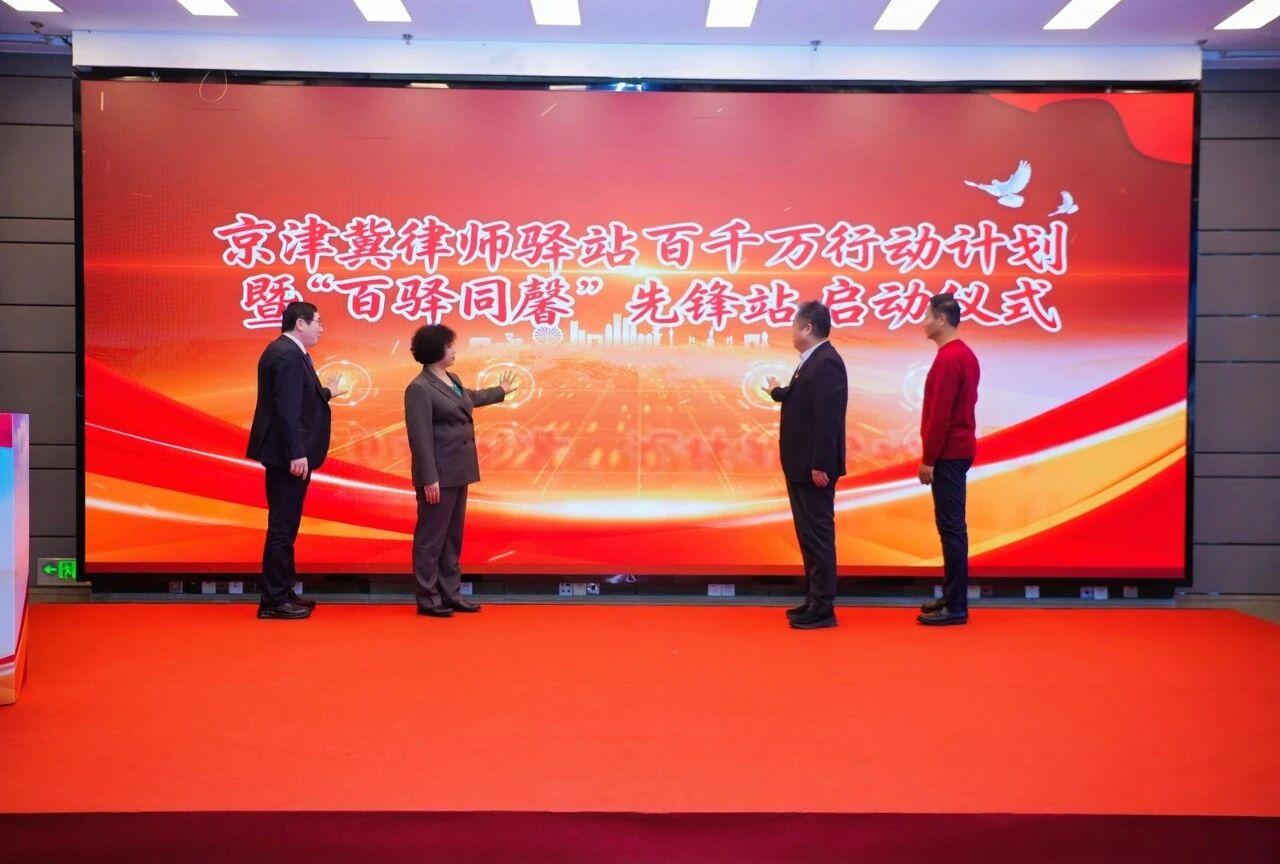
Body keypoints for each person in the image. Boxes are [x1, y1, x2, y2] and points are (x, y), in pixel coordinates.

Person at [405, 324, 518, 617]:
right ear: (436, 350)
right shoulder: (419, 388)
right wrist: (429, 478)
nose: (454, 350)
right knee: (431, 539)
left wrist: (500, 391)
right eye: (449, 345)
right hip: (438, 475)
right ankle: (428, 598)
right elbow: (419, 437)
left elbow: (470, 398)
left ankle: (451, 593)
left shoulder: (451, 379)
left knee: (452, 537)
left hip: (459, 470)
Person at [246, 302, 345, 620]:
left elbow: (299, 399)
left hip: (287, 452)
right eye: (318, 322)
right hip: (286, 455)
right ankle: (273, 601)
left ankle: (284, 591)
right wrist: (295, 452)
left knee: (287, 525)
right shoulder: (287, 354)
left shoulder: (289, 351)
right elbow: (286, 410)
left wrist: (326, 392)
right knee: (282, 526)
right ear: (300, 323)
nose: (321, 328)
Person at [763, 301, 848, 630]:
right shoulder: (811, 361)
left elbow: (828, 419)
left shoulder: (827, 362)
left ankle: (823, 607)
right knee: (808, 535)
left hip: (814, 468)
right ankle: (814, 599)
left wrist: (821, 464)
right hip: (800, 464)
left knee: (818, 534)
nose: (791, 331)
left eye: (794, 325)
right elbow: (801, 397)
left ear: (808, 328)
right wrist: (777, 392)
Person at [916, 293, 981, 626]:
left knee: (952, 528)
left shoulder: (949, 359)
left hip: (949, 453)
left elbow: (940, 416)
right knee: (951, 527)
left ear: (942, 319)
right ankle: (951, 595)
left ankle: (956, 606)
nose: (923, 322)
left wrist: (928, 459)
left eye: (927, 316)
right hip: (958, 450)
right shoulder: (963, 355)